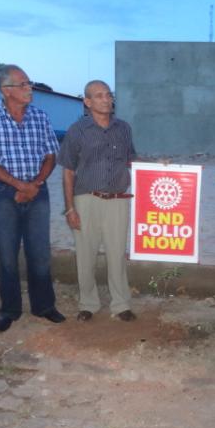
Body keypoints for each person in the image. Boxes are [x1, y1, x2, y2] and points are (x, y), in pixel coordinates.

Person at [0, 64, 65, 332]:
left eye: (29, 83)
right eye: (23, 84)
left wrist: (35, 184)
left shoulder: (40, 117)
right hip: (1, 194)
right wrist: (18, 185)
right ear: (5, 90)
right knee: (8, 254)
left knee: (40, 253)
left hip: (38, 190)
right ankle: (9, 310)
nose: (29, 88)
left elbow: (50, 156)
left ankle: (44, 306)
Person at [58, 80, 137, 322]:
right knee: (86, 254)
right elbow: (68, 171)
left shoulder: (123, 128)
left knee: (116, 253)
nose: (106, 99)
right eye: (99, 96)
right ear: (88, 102)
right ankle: (88, 304)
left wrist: (160, 168)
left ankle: (121, 304)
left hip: (118, 200)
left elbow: (131, 159)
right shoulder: (77, 130)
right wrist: (70, 208)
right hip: (86, 199)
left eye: (108, 95)